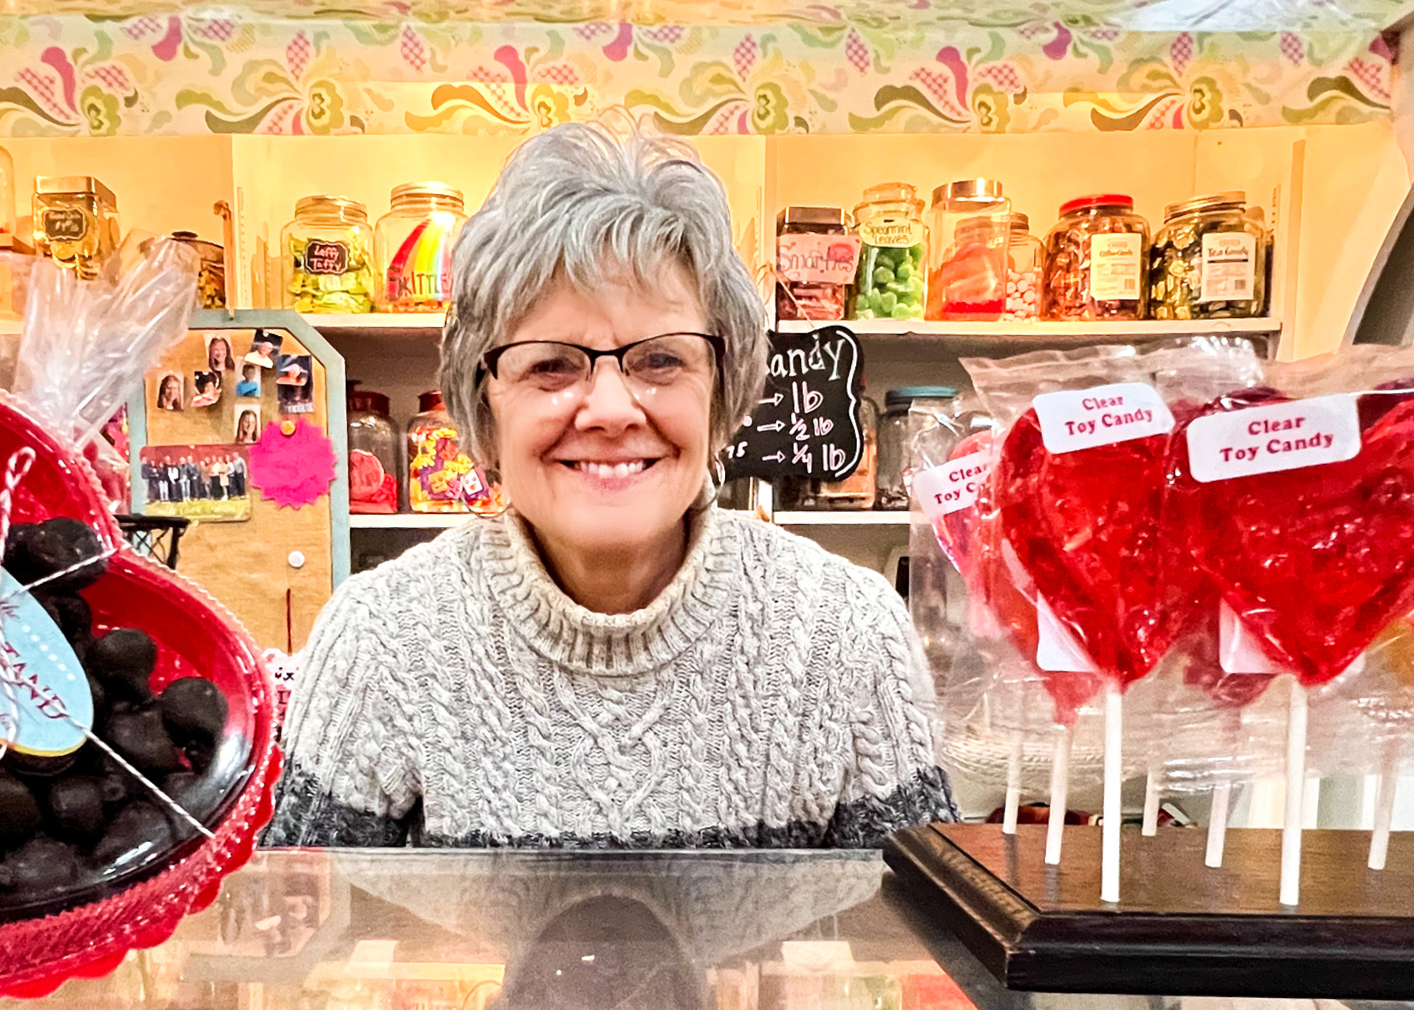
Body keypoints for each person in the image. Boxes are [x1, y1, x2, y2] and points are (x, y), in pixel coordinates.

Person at [265, 121, 953, 849]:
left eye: (660, 360)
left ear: (723, 391)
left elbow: (924, 951)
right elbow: (303, 943)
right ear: (484, 403)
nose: (611, 409)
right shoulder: (381, 638)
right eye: (552, 365)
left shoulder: (846, 636)